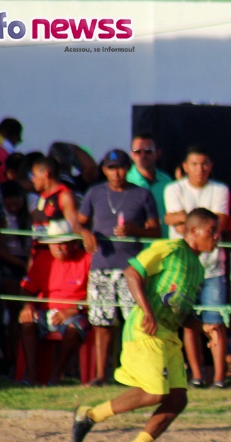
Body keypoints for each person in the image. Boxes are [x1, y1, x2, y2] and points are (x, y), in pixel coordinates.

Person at [72, 208, 221, 442]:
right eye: (212, 231)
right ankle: (90, 414)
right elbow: (132, 273)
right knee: (154, 392)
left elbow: (181, 311)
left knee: (177, 400)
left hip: (168, 335)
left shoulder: (198, 268)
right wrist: (149, 312)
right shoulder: (169, 248)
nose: (217, 237)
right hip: (146, 329)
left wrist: (203, 327)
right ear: (194, 231)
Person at [79, 149, 161, 386]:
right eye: (111, 168)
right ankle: (100, 374)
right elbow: (79, 222)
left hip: (130, 269)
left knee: (133, 322)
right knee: (102, 323)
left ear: (129, 169)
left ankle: (133, 372)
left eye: (121, 167)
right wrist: (85, 233)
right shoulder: (94, 193)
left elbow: (155, 231)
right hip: (101, 267)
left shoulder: (142, 194)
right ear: (104, 170)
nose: (117, 173)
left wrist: (135, 230)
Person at [165, 146, 231, 388]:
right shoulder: (173, 189)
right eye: (194, 164)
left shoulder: (220, 189)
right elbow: (174, 222)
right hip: (183, 268)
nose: (199, 169)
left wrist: (184, 217)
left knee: (214, 323)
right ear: (185, 166)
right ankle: (196, 376)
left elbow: (218, 223)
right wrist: (197, 221)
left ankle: (219, 379)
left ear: (210, 166)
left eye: (204, 164)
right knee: (189, 324)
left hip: (213, 268)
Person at [18, 220, 92, 385]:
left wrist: (74, 309)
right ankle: (32, 375)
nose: (58, 247)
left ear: (72, 244)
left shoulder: (87, 259)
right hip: (45, 311)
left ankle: (56, 374)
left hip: (77, 313)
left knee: (74, 328)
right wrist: (27, 306)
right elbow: (26, 288)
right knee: (27, 322)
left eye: (63, 243)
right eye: (54, 243)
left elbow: (96, 295)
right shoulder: (42, 259)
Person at [30, 155, 96, 253]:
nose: (33, 180)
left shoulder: (64, 195)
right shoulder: (41, 196)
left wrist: (84, 233)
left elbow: (73, 223)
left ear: (46, 174)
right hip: (38, 254)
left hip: (55, 257)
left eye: (34, 175)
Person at [127, 133, 174, 237]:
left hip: (163, 244)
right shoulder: (126, 181)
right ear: (132, 154)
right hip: (137, 247)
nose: (143, 156)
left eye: (148, 151)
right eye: (138, 152)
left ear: (158, 153)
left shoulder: (167, 181)